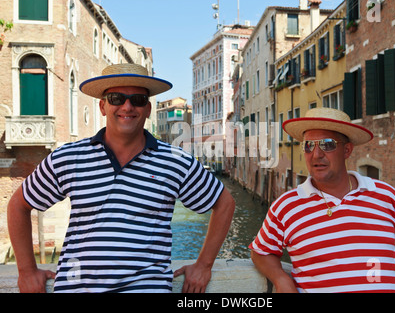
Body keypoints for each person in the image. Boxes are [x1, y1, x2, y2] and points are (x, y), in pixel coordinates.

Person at [7, 63, 235, 293]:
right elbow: (18, 205)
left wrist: (204, 265)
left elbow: (224, 204)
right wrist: (26, 270)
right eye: (116, 98)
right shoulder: (68, 157)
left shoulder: (175, 161)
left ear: (147, 109)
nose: (127, 106)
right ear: (103, 106)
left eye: (137, 99)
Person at [249, 107, 395, 293]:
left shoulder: (387, 196)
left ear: (347, 150)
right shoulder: (286, 206)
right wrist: (281, 279)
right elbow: (260, 252)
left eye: (327, 144)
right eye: (308, 145)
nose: (316, 154)